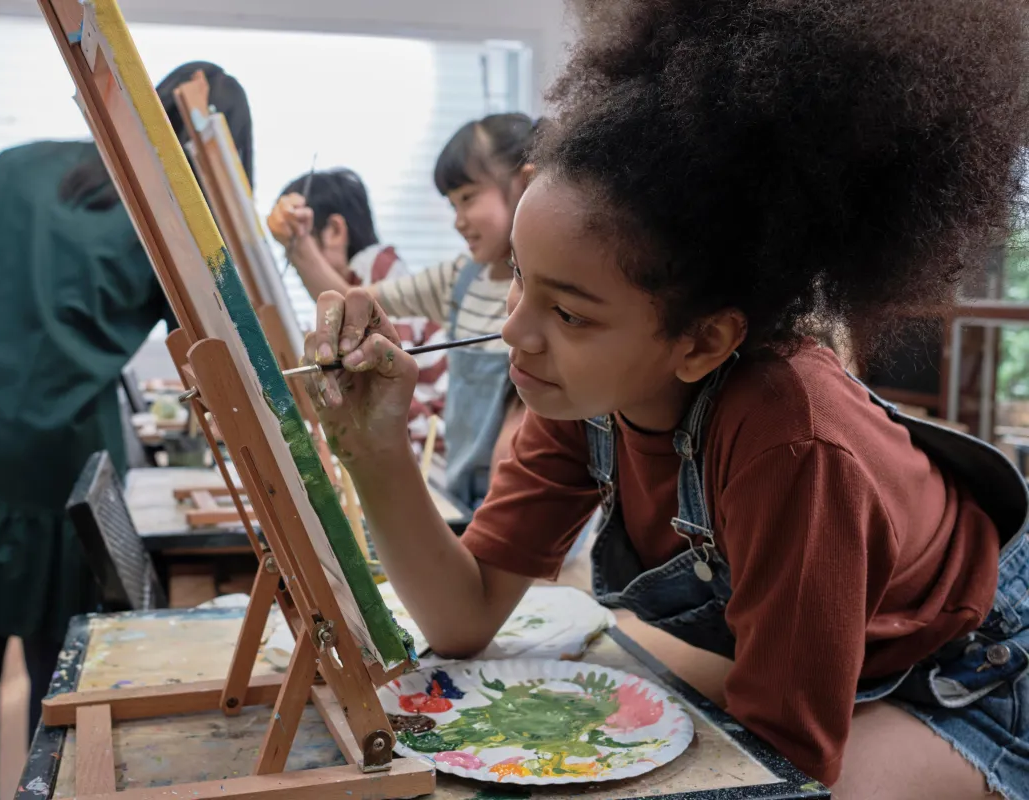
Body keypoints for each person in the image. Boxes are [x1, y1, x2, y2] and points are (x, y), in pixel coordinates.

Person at [299, 0, 1029, 796]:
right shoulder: (585, 394)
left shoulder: (790, 439)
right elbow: (463, 619)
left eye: (569, 312)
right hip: (840, 667)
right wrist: (374, 448)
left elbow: (781, 763)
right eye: (520, 281)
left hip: (977, 673)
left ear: (704, 342)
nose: (517, 333)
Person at [0, 61, 252, 800]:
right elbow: (216, 360)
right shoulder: (171, 221)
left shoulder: (16, 165)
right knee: (66, 725)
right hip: (52, 487)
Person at [271, 114, 540, 507]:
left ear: (524, 184)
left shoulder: (548, 290)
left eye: (468, 198)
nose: (458, 221)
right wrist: (298, 244)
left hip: (526, 500)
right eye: (452, 204)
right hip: (465, 493)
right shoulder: (460, 279)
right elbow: (352, 299)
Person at [267, 167, 447, 452]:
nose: (301, 275)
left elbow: (385, 377)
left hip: (429, 454)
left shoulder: (380, 269)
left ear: (335, 231)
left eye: (296, 255)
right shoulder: (367, 275)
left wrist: (298, 244)